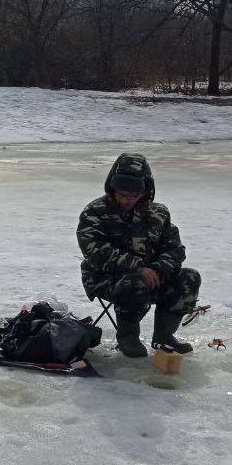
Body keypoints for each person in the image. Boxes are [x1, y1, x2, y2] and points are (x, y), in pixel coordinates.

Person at [77, 153, 202, 357]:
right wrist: (138, 268)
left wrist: (157, 269)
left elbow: (175, 249)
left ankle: (164, 336)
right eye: (121, 194)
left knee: (190, 277)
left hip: (152, 275)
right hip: (106, 278)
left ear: (144, 192)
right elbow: (95, 252)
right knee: (135, 282)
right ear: (112, 188)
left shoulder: (159, 213)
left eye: (133, 196)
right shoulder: (95, 212)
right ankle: (128, 337)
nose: (126, 200)